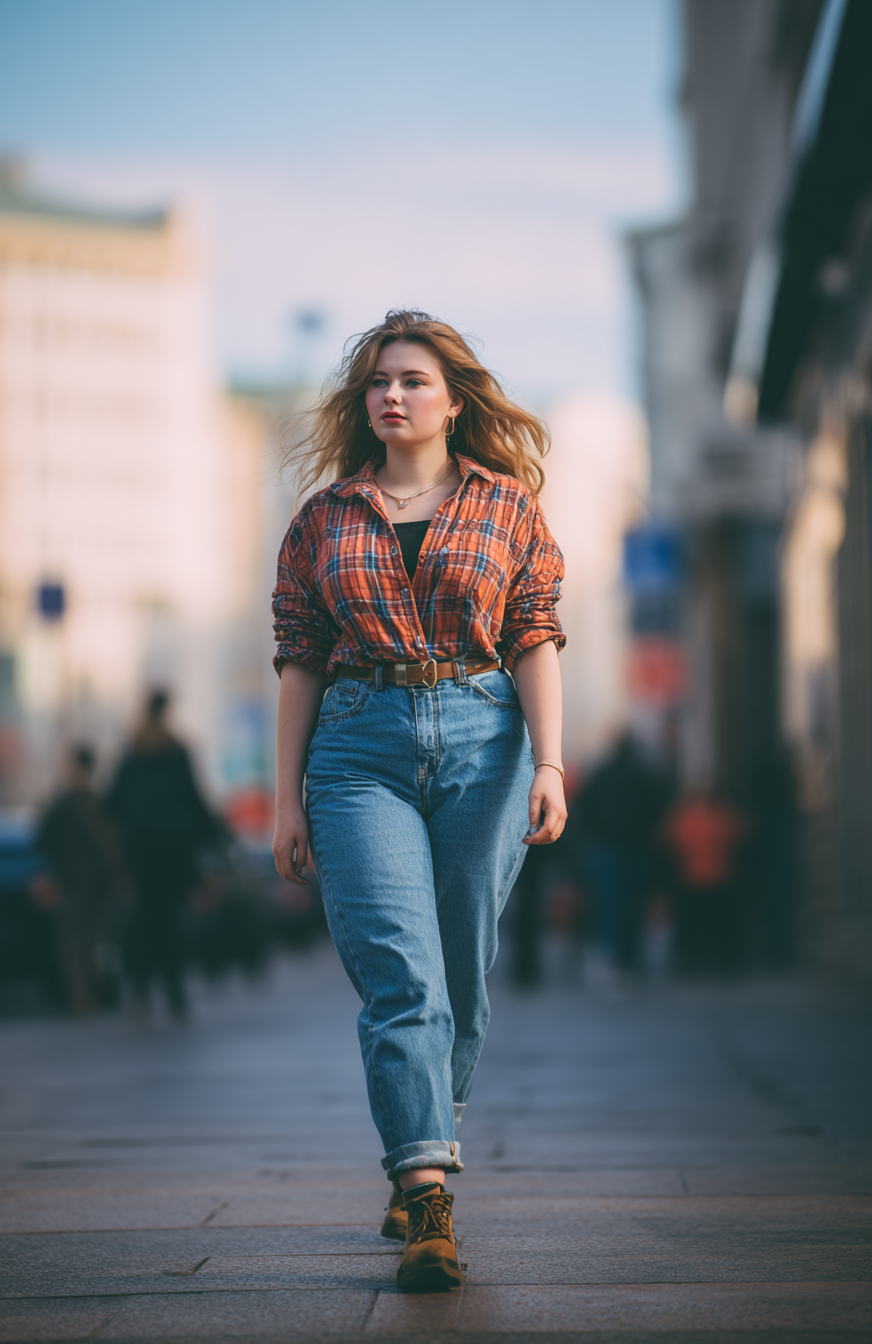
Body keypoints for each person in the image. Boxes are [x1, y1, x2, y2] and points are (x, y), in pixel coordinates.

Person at [272, 310, 566, 1293]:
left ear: (452, 400)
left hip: (485, 740)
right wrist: (286, 800)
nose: (390, 395)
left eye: (411, 380)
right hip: (358, 752)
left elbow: (532, 634)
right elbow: (298, 664)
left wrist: (550, 765)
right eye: (377, 382)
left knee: (459, 979)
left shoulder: (506, 506)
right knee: (403, 976)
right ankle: (428, 1195)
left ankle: (421, 1139)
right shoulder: (320, 520)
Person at [107, 690, 219, 1020]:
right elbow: (194, 798)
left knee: (142, 917)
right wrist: (214, 832)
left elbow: (112, 802)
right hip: (174, 850)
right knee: (171, 919)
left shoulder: (132, 751)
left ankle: (140, 990)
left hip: (140, 850)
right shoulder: (178, 749)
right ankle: (175, 993)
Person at [570, 731, 670, 982]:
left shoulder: (603, 774)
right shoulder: (644, 774)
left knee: (611, 904)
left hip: (608, 847)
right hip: (635, 848)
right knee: (631, 905)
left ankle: (612, 958)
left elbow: (584, 807)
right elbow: (658, 808)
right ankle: (630, 958)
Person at [36, 744, 119, 1013]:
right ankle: (86, 991)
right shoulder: (98, 804)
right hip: (87, 881)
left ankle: (84, 992)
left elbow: (43, 842)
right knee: (86, 939)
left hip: (80, 881)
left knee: (80, 939)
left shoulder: (66, 805)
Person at [662, 786, 748, 974]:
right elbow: (741, 834)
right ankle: (721, 961)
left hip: (692, 879)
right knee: (720, 924)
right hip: (719, 877)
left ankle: (695, 960)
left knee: (695, 925)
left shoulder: (683, 816)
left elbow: (669, 840)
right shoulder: (723, 815)